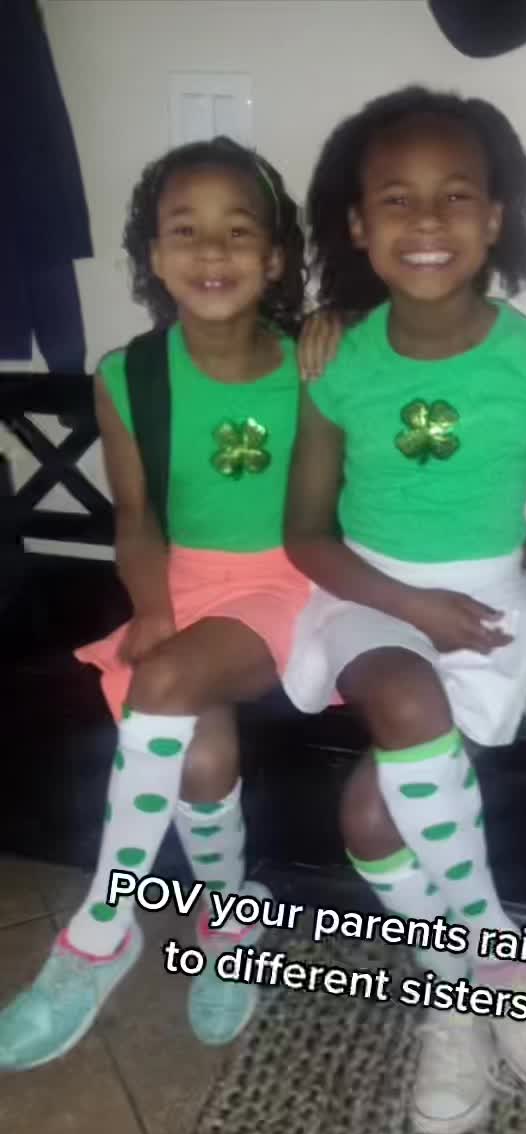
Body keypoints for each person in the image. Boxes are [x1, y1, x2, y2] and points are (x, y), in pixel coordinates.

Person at [283, 86, 526, 1134]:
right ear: (358, 224)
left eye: (455, 195)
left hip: (483, 610)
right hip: (361, 596)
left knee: (368, 819)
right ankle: (504, 969)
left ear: (494, 217)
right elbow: (306, 536)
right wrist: (408, 601)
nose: (427, 219)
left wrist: (485, 577)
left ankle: (452, 984)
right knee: (402, 689)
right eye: (397, 197)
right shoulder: (337, 359)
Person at [0, 136, 320, 1070]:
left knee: (169, 682)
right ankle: (230, 926)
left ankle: (99, 934)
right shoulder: (129, 375)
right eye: (185, 230)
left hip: (287, 581)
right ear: (153, 254)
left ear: (275, 258)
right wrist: (153, 609)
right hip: (179, 583)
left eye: (237, 231)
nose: (211, 250)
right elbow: (136, 517)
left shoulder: (316, 366)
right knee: (202, 758)